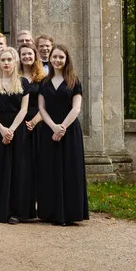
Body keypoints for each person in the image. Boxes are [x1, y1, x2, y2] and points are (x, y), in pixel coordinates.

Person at [37, 44, 89, 225]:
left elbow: (76, 108)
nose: (57, 60)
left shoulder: (74, 81)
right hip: (48, 131)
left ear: (66, 60)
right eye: (55, 57)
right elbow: (41, 109)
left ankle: (70, 213)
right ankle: (51, 212)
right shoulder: (44, 82)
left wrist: (62, 128)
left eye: (61, 57)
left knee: (70, 170)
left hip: (69, 131)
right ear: (49, 59)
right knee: (50, 170)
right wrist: (53, 127)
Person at [0, 47, 32, 224]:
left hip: (17, 131)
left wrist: (11, 129)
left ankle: (15, 211)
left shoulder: (23, 83)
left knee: (17, 170)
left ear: (15, 62)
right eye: (3, 60)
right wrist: (2, 129)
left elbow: (24, 109)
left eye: (9, 60)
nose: (6, 63)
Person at [18, 44, 46, 216]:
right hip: (19, 124)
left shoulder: (43, 78)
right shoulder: (15, 76)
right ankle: (24, 204)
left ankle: (39, 203)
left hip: (38, 123)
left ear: (35, 56)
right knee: (23, 165)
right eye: (24, 54)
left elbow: (48, 104)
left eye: (30, 54)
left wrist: (35, 121)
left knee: (38, 164)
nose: (27, 56)